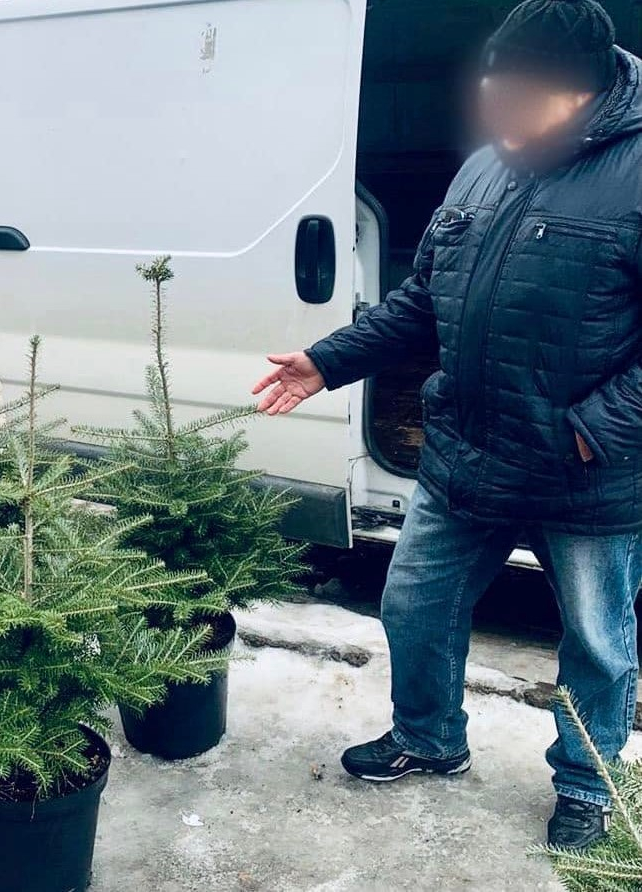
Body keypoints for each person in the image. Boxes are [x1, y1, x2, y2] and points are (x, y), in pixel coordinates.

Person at [254, 0, 641, 850]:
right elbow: (425, 298)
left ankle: (589, 784)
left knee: (599, 646)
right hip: (466, 452)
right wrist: (328, 360)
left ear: (581, 90)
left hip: (586, 473)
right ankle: (429, 737)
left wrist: (596, 429)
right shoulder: (484, 168)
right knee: (414, 606)